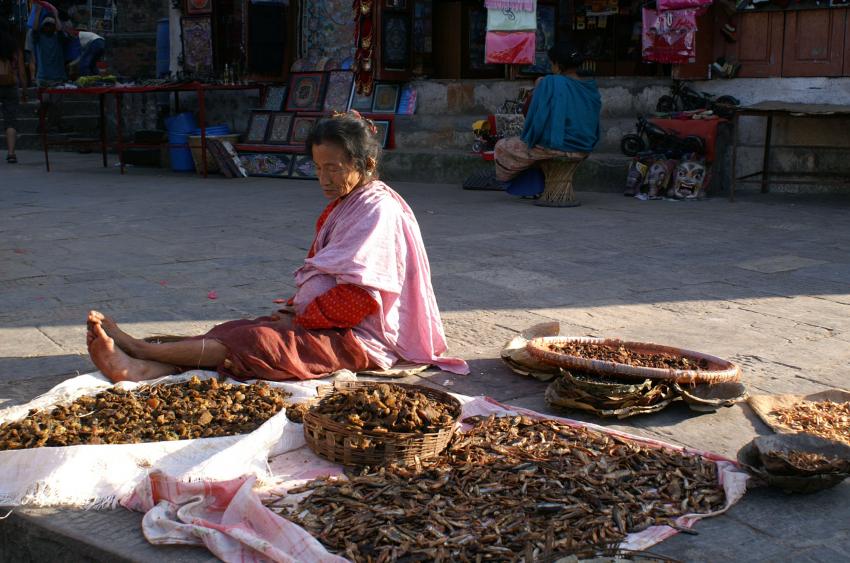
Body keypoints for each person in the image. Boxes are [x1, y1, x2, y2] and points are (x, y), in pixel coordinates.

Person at [86, 111, 469, 382]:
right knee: (235, 328)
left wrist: (301, 319)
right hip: (331, 322)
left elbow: (360, 298)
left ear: (365, 163)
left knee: (255, 342)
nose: (324, 178)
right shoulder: (347, 203)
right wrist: (294, 310)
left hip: (363, 338)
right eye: (318, 168)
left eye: (334, 168)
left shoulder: (378, 210)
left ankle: (141, 349)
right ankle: (149, 369)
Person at [494, 41, 601, 183]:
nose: (551, 67)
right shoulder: (590, 87)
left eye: (551, 63)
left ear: (558, 64)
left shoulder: (550, 82)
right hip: (585, 146)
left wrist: (540, 86)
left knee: (501, 146)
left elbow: (536, 122)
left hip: (560, 146)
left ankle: (508, 182)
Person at [0, 23, 26, 164]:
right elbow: (22, 72)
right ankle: (11, 154)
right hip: (11, 85)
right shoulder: (14, 47)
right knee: (11, 120)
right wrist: (25, 90)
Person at [31, 16, 67, 84]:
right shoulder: (39, 39)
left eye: (51, 25)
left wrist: (56, 15)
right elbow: (34, 30)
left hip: (59, 78)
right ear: (43, 27)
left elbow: (60, 31)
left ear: (54, 27)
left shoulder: (59, 38)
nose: (49, 27)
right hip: (43, 79)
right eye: (47, 25)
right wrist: (37, 13)